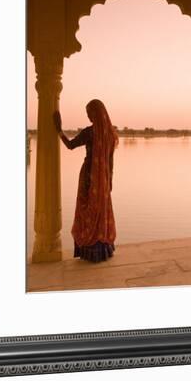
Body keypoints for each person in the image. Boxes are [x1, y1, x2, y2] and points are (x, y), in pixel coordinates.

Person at [53, 99, 118, 263]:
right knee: (99, 211)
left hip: (89, 176)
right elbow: (110, 161)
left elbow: (70, 145)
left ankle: (89, 249)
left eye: (89, 113)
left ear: (95, 113)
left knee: (86, 210)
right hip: (103, 178)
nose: (88, 116)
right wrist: (110, 181)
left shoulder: (89, 132)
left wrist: (59, 130)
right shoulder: (110, 133)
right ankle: (102, 250)